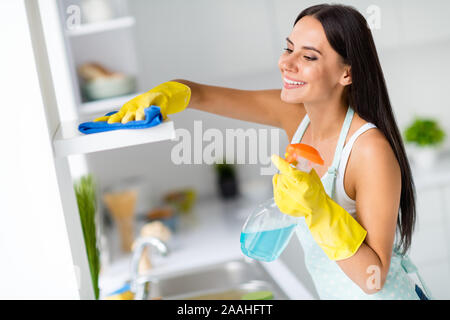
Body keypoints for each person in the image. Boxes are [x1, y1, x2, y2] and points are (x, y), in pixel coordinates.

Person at [96, 3, 432, 299]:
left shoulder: (369, 150)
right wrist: (169, 93)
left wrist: (320, 210)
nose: (287, 63)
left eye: (309, 56)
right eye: (289, 49)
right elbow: (202, 95)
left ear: (347, 73)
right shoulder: (295, 115)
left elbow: (373, 279)